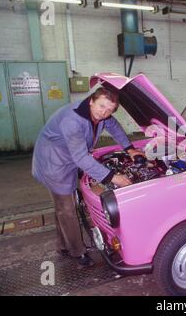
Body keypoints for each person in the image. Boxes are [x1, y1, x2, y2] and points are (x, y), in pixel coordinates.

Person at [32, 87, 144, 267]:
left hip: (69, 158)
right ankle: (77, 252)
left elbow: (113, 126)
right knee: (67, 208)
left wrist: (129, 148)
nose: (104, 113)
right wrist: (112, 177)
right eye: (101, 107)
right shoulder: (72, 120)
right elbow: (81, 157)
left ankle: (62, 245)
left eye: (109, 110)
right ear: (91, 100)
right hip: (54, 163)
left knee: (62, 206)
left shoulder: (100, 114)